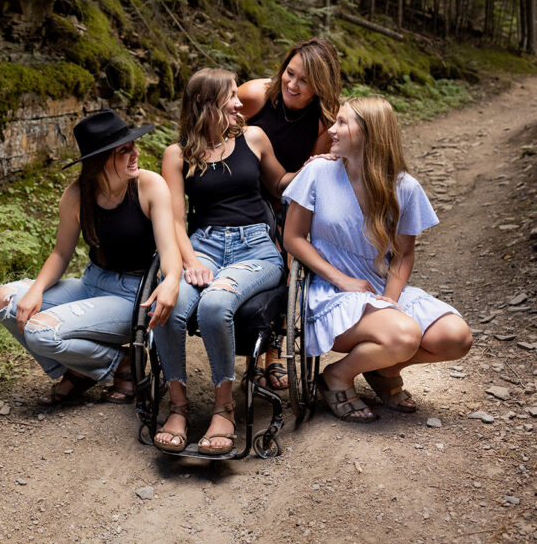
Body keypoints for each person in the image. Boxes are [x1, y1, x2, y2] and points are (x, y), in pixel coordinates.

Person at [283, 96, 472, 422]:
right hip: (331, 289)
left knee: (456, 338)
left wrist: (390, 300)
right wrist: (342, 280)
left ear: (369, 134)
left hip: (380, 287)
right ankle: (336, 376)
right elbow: (293, 238)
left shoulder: (404, 187)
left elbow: (403, 254)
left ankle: (383, 368)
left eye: (342, 123)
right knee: (403, 335)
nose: (331, 130)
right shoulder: (318, 172)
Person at [0, 110, 181, 405]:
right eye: (123, 151)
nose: (135, 154)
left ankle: (110, 366)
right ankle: (102, 365)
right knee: (1, 300)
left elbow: (169, 250)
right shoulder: (76, 194)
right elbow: (61, 253)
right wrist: (36, 290)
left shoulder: (149, 186)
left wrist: (171, 282)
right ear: (100, 160)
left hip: (131, 295)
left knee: (41, 332)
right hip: (90, 283)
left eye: (133, 146)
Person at [152, 68, 296, 454]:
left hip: (256, 248)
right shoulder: (178, 154)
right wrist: (190, 259)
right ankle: (178, 406)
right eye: (230, 96)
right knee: (168, 305)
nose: (239, 103)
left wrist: (321, 165)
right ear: (205, 105)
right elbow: (176, 220)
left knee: (216, 304)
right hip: (203, 245)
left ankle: (224, 408)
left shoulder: (254, 138)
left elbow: (282, 183)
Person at [238, 38, 342, 389]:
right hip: (239, 189)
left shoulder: (323, 124)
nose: (292, 85)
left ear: (320, 89)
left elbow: (307, 180)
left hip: (285, 195)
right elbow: (215, 137)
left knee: (286, 247)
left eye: (304, 81)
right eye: (290, 73)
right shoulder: (254, 95)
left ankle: (271, 350)